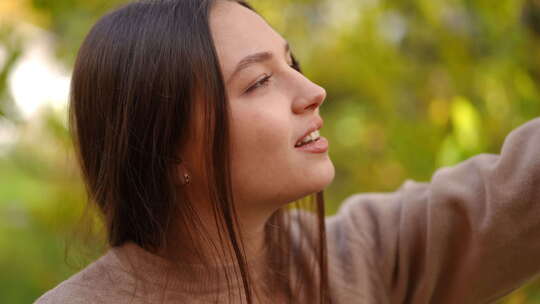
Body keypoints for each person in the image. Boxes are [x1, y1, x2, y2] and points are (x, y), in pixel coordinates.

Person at [35, 0, 540, 303]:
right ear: (167, 150)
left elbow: (512, 195)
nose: (313, 90)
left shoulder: (356, 258)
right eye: (258, 82)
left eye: (292, 63)